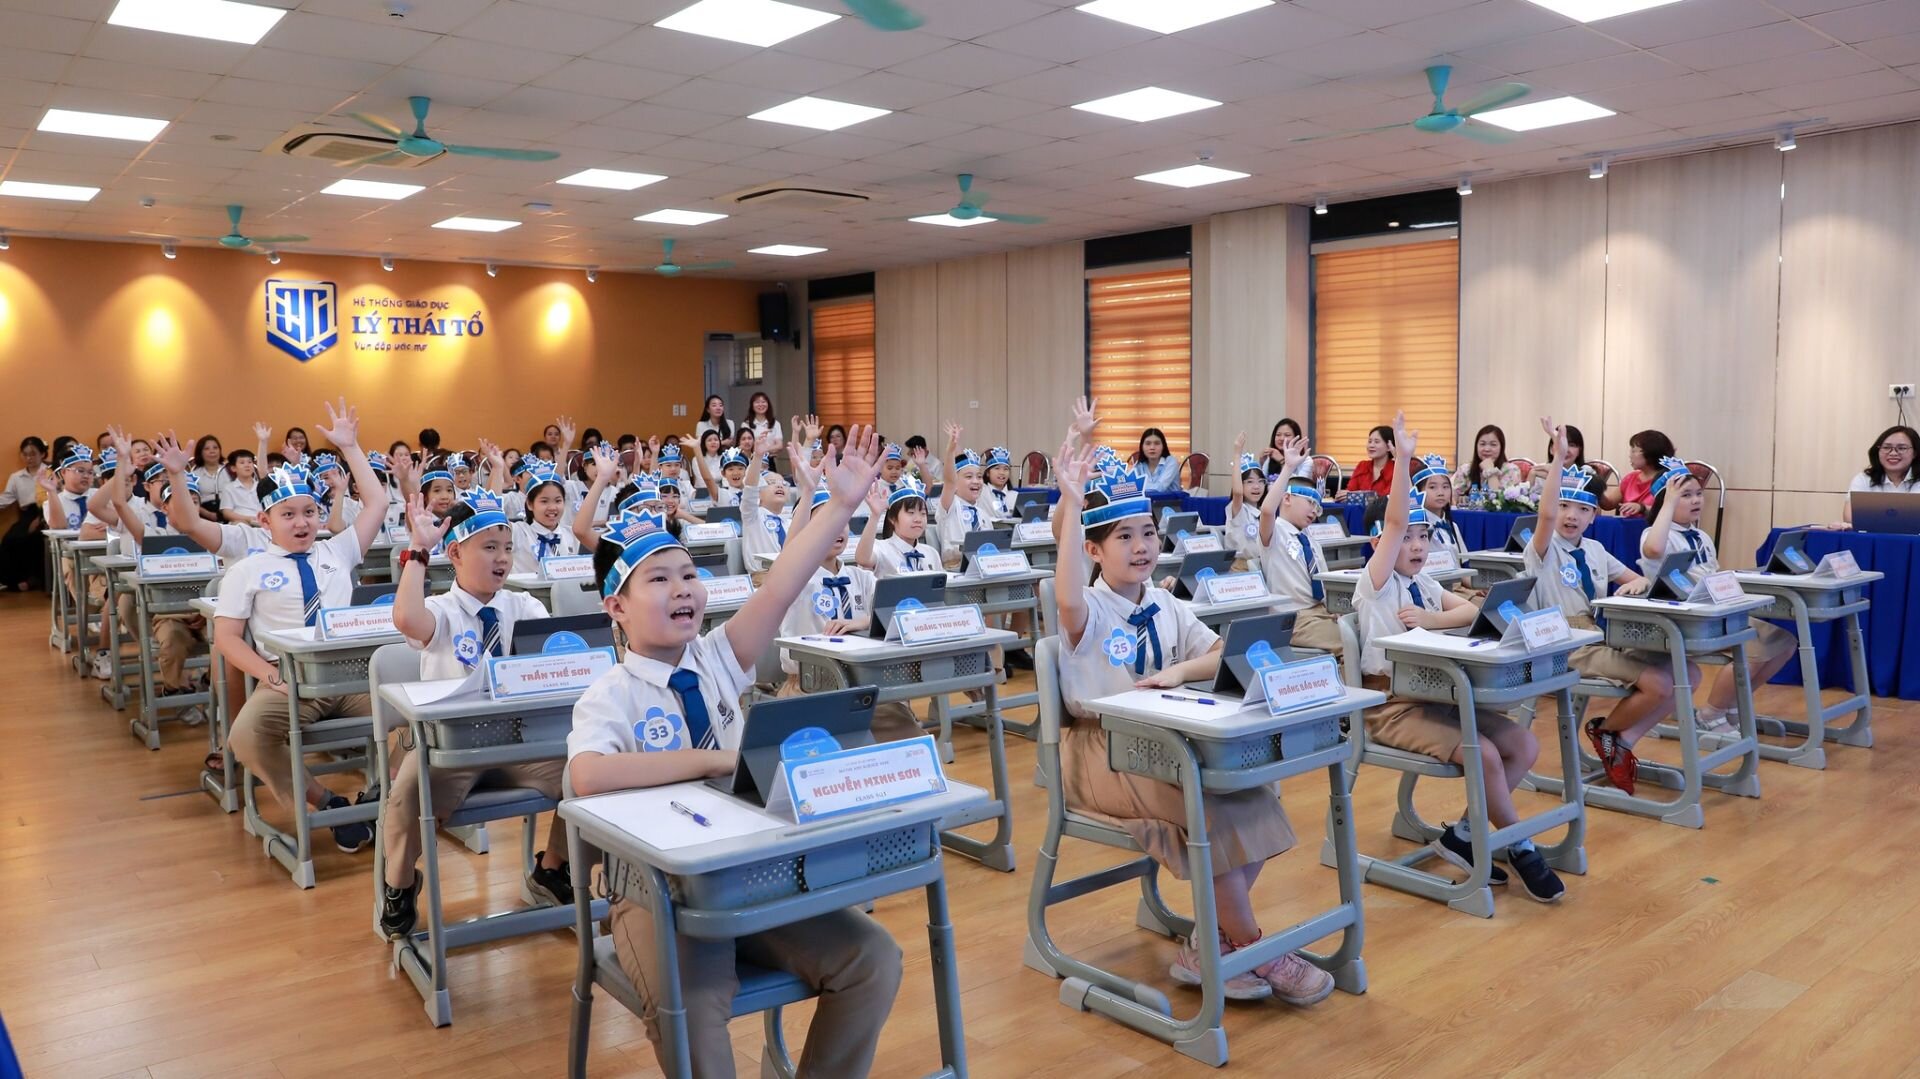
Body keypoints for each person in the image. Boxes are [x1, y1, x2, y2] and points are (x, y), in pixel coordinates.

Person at [567, 428, 901, 1078]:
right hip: (656, 894)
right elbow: (587, 774)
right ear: (616, 607)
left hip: (748, 873)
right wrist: (713, 760)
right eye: (658, 579)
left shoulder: (718, 656)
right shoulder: (610, 694)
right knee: (694, 1006)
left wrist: (839, 505)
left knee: (873, 958)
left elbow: (780, 587)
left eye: (689, 574)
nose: (683, 588)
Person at [1050, 419, 1334, 1006]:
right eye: (1123, 537)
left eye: (1148, 533)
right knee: (1212, 809)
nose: (1141, 546)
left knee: (1255, 796)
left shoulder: (1165, 602)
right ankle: (1253, 945)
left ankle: (1212, 943)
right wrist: (1072, 506)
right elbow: (1067, 595)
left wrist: (1179, 673)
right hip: (1102, 751)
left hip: (1167, 739)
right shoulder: (1089, 610)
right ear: (1094, 551)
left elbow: (1219, 650)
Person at [1354, 412, 1564, 902]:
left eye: (1424, 537)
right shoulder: (1375, 582)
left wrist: (1430, 620)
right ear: (1379, 543)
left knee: (1523, 746)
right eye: (1407, 537)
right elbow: (1395, 519)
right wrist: (1403, 461)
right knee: (1485, 753)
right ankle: (1520, 845)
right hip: (1393, 707)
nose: (1417, 545)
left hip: (1440, 697)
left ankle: (1466, 835)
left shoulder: (1423, 582)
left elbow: (1471, 609)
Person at [376, 490, 572, 939]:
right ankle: (399, 884)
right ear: (455, 554)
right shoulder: (441, 611)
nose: (502, 558)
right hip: (451, 748)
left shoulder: (524, 606)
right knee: (407, 795)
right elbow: (407, 619)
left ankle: (551, 867)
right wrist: (417, 551)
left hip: (520, 743)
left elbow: (547, 666)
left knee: (586, 771)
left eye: (507, 548)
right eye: (489, 547)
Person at [213, 400, 389, 853]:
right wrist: (268, 675)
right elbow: (226, 637)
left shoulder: (338, 551)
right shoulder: (247, 570)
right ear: (264, 520)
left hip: (350, 677)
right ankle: (326, 803)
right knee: (245, 738)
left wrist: (350, 448)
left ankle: (378, 800)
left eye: (309, 512)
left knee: (411, 720)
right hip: (288, 679)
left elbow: (377, 502)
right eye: (288, 514)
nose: (301, 522)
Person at [1527, 416, 1682, 796]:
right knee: (1660, 682)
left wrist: (1637, 584)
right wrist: (1559, 459)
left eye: (1582, 509)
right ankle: (1606, 732)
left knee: (1686, 672)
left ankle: (1619, 740)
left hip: (1599, 635)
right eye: (1564, 506)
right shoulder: (1542, 549)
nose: (1571, 516)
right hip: (1564, 642)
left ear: (1595, 515)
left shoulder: (1595, 549)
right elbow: (1545, 515)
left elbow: (1636, 578)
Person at [1640, 456, 1797, 734]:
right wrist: (1668, 504)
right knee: (1754, 652)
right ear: (1665, 502)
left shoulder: (1701, 537)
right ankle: (1711, 712)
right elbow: (1653, 550)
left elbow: (1712, 574)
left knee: (1785, 644)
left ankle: (1732, 703)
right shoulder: (1655, 534)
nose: (1695, 500)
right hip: (1684, 620)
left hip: (1716, 613)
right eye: (1685, 495)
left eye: (1698, 494)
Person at [1255, 435, 1343, 653]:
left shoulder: (1310, 540)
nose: (1314, 510)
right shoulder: (1275, 533)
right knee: (1350, 641)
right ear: (1286, 499)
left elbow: (1322, 583)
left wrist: (1332, 608)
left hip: (1320, 613)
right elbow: (1267, 510)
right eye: (1310, 502)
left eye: (1318, 507)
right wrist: (1288, 468)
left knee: (1362, 629)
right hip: (1294, 619)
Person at [857, 476, 938, 577]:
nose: (918, 519)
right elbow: (863, 559)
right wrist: (875, 515)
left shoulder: (931, 553)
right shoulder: (881, 549)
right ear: (892, 518)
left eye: (923, 513)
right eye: (911, 512)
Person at [1843, 424, 1920, 524]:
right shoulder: (1864, 479)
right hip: (1873, 534)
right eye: (1886, 447)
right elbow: (1850, 517)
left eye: (1901, 448)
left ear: (1915, 453)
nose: (1893, 453)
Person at [0, 436, 49, 591]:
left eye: (33, 454)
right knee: (9, 539)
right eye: (25, 454)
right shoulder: (16, 477)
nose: (29, 458)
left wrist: (40, 517)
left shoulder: (50, 472)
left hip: (45, 513)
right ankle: (10, 580)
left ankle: (34, 579)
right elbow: (7, 498)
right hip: (27, 514)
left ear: (42, 454)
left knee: (35, 538)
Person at [1223, 434, 1266, 564]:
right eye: (1250, 482)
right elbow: (1237, 493)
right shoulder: (1238, 509)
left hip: (1261, 565)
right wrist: (1237, 454)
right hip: (1240, 566)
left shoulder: (1264, 512)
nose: (1256, 486)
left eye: (1260, 481)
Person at [1453, 424, 1520, 505]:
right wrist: (1461, 498)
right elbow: (1452, 498)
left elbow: (1500, 503)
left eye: (1493, 444)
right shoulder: (1465, 469)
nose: (1487, 449)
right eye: (1482, 444)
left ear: (1501, 447)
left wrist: (1490, 471)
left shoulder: (1511, 470)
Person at [1617, 429, 1676, 518]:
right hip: (1629, 524)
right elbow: (1608, 503)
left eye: (1634, 451)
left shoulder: (1670, 480)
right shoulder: (1631, 478)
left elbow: (1674, 512)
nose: (1630, 455)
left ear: (1650, 452)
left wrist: (1642, 508)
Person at [1345, 425, 1396, 498]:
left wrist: (1356, 496)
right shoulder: (1362, 466)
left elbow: (1388, 498)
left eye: (1376, 442)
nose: (1371, 445)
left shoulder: (1396, 469)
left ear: (1389, 447)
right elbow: (1350, 491)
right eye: (1369, 441)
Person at [1262, 418, 1313, 483]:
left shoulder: (1306, 461)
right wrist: (1262, 462)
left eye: (1287, 435)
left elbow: (1297, 484)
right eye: (1278, 435)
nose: (1282, 438)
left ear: (1296, 438)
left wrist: (1282, 460)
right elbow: (1262, 484)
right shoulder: (1270, 459)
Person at [189, 435, 228, 521]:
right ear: (200, 453)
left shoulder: (229, 471)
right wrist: (208, 514)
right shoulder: (194, 475)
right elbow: (190, 501)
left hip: (228, 510)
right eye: (207, 449)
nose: (212, 451)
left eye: (215, 448)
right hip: (204, 513)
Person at [1137, 427, 1181, 492]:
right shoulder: (1139, 465)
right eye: (1148, 443)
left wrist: (1139, 487)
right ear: (1142, 446)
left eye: (1157, 443)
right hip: (1147, 499)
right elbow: (1130, 486)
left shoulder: (1171, 462)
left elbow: (1160, 488)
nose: (1152, 447)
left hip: (1170, 498)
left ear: (1163, 446)